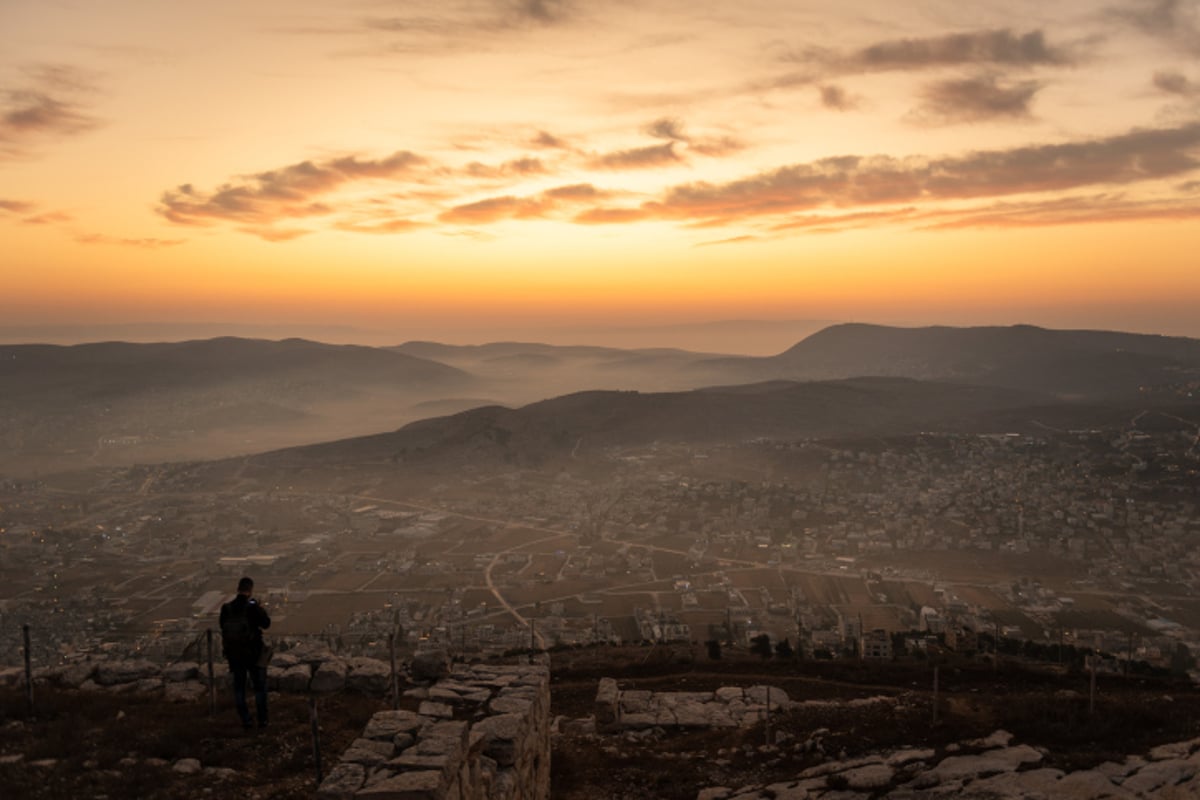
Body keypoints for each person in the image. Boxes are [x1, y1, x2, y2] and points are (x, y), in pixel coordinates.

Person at [219, 576, 271, 729]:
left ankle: (246, 720)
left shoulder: (226, 608)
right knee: (259, 688)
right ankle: (263, 721)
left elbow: (223, 627)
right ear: (250, 590)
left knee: (239, 689)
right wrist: (260, 608)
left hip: (234, 655)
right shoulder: (252, 608)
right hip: (253, 653)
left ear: (238, 589)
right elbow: (266, 624)